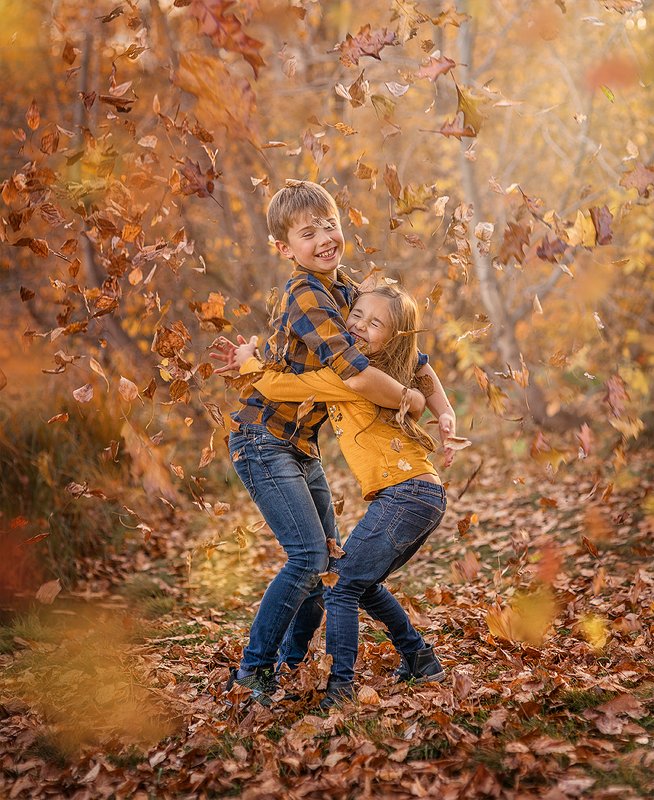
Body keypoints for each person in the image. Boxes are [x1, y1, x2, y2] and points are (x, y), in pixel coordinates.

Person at [212, 180, 452, 707]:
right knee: (307, 559)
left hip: (300, 446)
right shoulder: (304, 290)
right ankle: (254, 672)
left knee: (327, 564)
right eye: (307, 232)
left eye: (329, 225)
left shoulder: (344, 291)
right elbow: (356, 375)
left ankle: (294, 665)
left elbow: (406, 352)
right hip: (263, 438)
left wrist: (442, 407)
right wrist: (410, 402)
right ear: (284, 248)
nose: (324, 237)